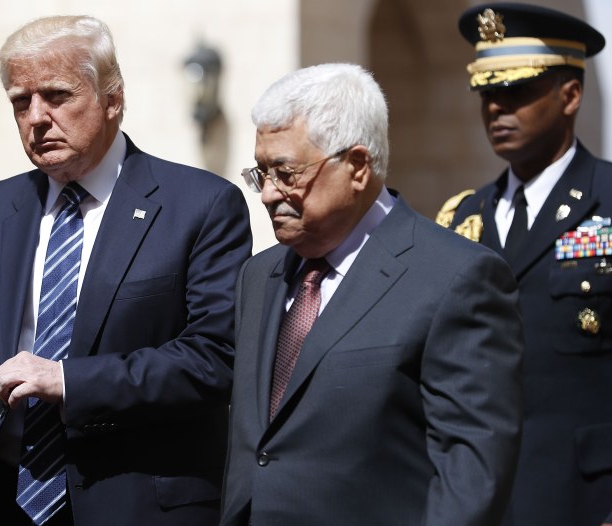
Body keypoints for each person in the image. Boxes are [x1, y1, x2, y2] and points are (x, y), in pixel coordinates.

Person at [0, 15, 252, 526]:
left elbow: (215, 358)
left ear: (112, 99)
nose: (37, 117)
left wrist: (69, 380)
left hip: (139, 505)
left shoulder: (201, 206)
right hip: (2, 505)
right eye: (20, 102)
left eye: (56, 95)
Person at [221, 63, 524, 526]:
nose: (267, 194)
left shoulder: (455, 278)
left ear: (358, 167)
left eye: (285, 172)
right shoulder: (258, 276)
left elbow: (471, 473)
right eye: (260, 173)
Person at [437, 4, 612, 525]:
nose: (496, 108)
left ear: (571, 95)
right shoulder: (461, 218)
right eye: (488, 93)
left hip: (585, 500)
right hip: (480, 501)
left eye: (517, 91)